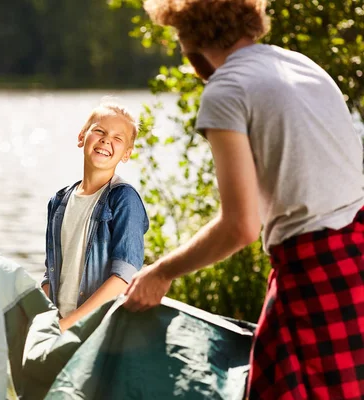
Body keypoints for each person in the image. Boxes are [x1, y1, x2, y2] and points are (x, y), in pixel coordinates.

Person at [123, 1, 364, 399]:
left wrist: (161, 271)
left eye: (179, 36)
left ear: (190, 35)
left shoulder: (227, 88)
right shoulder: (301, 64)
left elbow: (240, 226)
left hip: (313, 266)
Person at [42, 101, 149, 332]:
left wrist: (69, 324)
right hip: (59, 324)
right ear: (82, 137)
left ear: (127, 154)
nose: (106, 140)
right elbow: (50, 273)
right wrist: (39, 320)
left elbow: (125, 276)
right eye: (99, 131)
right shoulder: (59, 201)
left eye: (117, 138)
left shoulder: (124, 199)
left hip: (99, 331)